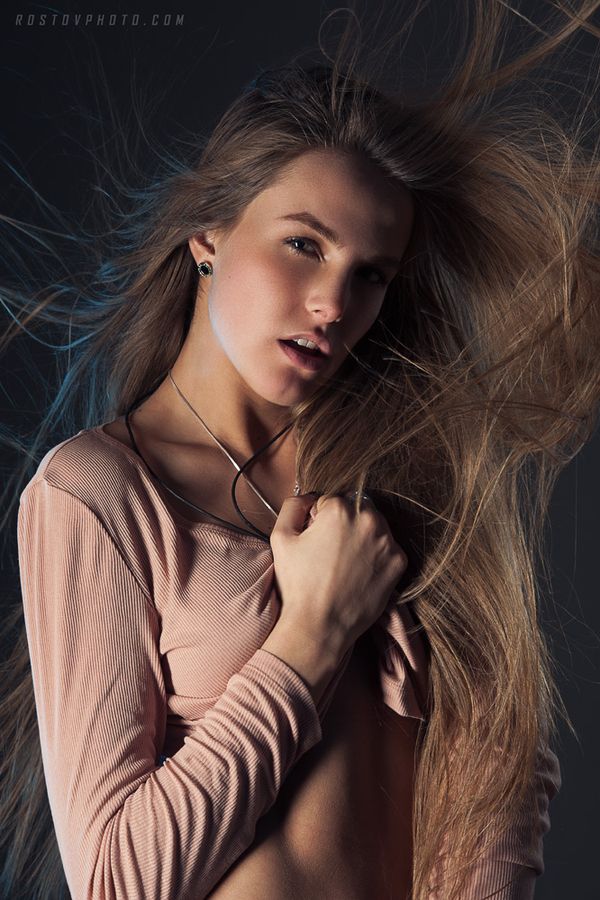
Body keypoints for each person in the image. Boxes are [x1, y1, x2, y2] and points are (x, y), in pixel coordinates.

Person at [1, 2, 599, 898]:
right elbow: (121, 881)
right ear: (208, 237)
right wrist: (313, 634)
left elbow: (503, 766)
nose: (333, 303)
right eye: (303, 246)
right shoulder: (101, 494)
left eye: (369, 275)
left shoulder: (404, 476)